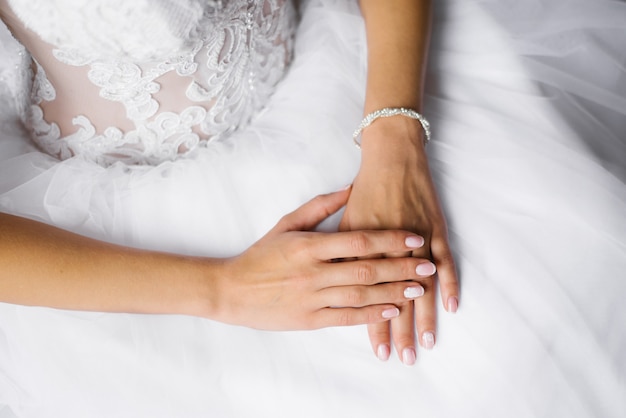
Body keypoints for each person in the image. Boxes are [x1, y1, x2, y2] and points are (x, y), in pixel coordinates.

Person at [0, 0, 625, 417]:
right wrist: (225, 290)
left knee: (537, 317)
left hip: (356, 87)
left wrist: (394, 137)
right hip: (109, 243)